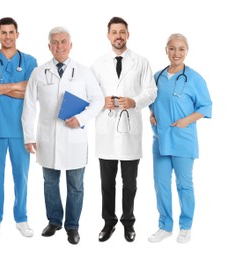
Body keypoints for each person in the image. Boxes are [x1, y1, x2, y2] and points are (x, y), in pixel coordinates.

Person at [22, 26, 104, 245]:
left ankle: (73, 226)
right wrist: (29, 136)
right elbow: (29, 106)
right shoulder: (39, 72)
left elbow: (99, 100)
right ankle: (54, 221)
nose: (59, 46)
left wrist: (82, 119)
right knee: (50, 183)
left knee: (76, 185)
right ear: (49, 46)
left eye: (63, 42)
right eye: (55, 42)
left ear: (70, 45)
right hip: (47, 136)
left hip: (74, 136)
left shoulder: (84, 72)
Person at [90, 16, 157, 243]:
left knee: (130, 184)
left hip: (130, 130)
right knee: (107, 183)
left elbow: (151, 91)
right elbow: (90, 96)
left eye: (122, 32)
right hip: (106, 129)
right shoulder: (97, 64)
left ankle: (128, 222)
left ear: (128, 35)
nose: (118, 36)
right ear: (108, 35)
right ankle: (108, 223)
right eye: (114, 32)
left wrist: (134, 102)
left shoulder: (141, 61)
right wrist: (102, 101)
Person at [148, 33, 212, 244]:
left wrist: (187, 120)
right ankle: (165, 226)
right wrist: (151, 114)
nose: (176, 53)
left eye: (181, 49)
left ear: (187, 51)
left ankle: (185, 227)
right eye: (172, 48)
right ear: (166, 50)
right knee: (161, 184)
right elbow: (152, 101)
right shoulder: (157, 76)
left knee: (184, 185)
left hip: (183, 140)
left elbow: (205, 106)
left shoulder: (194, 78)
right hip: (161, 139)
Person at [0, 17, 37, 239]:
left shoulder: (30, 61)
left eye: (11, 32)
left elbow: (31, 92)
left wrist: (0, 86)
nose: (8, 36)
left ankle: (21, 219)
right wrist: (15, 87)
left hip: (21, 130)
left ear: (17, 34)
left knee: (21, 177)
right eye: (3, 32)